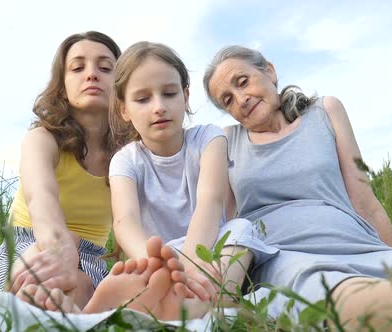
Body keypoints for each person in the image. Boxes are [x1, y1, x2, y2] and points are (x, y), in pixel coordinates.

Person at [203, 45, 392, 330]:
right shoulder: (226, 141)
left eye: (243, 82)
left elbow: (364, 200)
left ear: (269, 71)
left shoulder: (326, 110)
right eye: (227, 100)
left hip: (360, 246)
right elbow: (221, 221)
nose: (240, 99)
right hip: (288, 259)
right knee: (325, 287)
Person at [108, 41, 276, 320]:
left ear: (185, 97)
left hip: (211, 251)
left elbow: (210, 202)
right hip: (160, 259)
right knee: (131, 272)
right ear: (124, 109)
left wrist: (192, 262)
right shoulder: (125, 161)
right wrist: (160, 265)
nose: (159, 107)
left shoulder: (209, 138)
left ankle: (196, 306)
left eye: (169, 93)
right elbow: (125, 222)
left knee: (242, 231)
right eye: (142, 99)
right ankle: (208, 308)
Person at [0, 31, 121, 310]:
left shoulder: (129, 155)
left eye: (105, 68)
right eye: (77, 68)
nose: (91, 74)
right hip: (31, 239)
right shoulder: (42, 139)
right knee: (33, 273)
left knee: (78, 288)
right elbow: (40, 197)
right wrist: (59, 249)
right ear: (62, 86)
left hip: (91, 255)